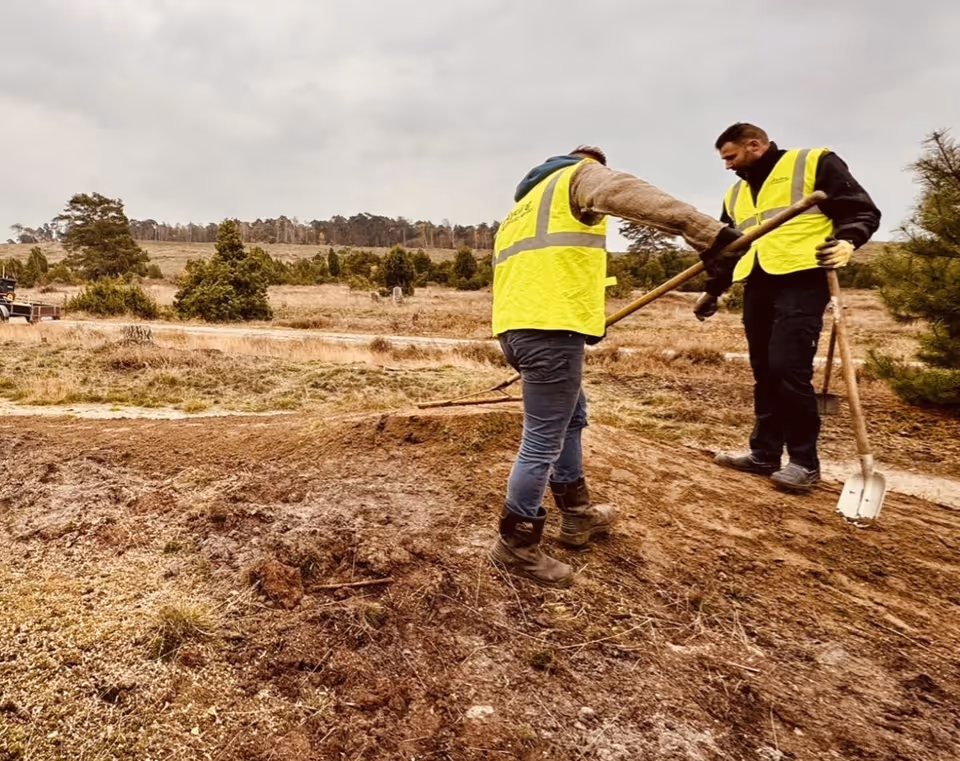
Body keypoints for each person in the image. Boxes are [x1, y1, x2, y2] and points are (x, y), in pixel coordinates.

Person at [489, 145, 742, 587]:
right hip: (548, 332)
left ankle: (577, 515)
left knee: (572, 420)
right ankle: (515, 545)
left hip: (521, 329)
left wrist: (584, 317)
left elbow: (549, 272)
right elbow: (629, 193)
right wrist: (708, 232)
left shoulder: (523, 208)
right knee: (542, 440)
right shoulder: (577, 176)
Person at [695, 123, 881, 492]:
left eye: (731, 157)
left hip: (804, 276)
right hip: (759, 279)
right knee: (764, 369)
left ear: (755, 145)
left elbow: (860, 210)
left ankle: (803, 462)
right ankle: (764, 453)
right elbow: (729, 248)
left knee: (787, 367)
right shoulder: (736, 194)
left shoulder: (813, 162)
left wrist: (848, 242)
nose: (727, 166)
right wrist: (712, 291)